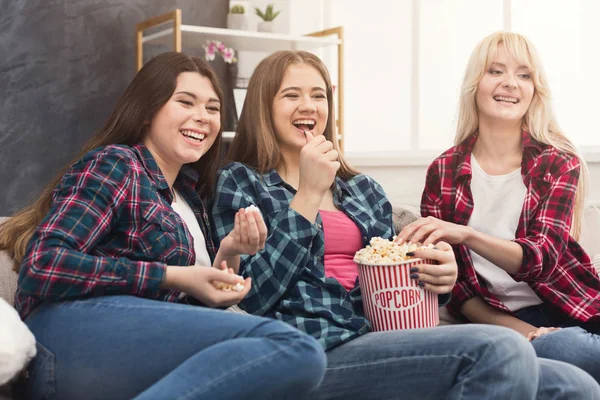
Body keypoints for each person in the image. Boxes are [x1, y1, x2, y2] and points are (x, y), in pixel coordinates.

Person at [212, 49, 600, 399]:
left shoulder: (361, 189)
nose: (309, 106)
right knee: (502, 348)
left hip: (387, 338)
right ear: (264, 106)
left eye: (318, 95)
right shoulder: (242, 183)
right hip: (314, 345)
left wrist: (440, 278)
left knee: (573, 384)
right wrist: (309, 194)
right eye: (291, 95)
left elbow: (399, 278)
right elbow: (253, 295)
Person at [0, 52, 326, 400]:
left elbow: (183, 311)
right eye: (186, 102)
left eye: (213, 109)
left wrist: (228, 254)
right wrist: (171, 275)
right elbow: (43, 265)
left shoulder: (189, 197)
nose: (202, 117)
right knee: (293, 346)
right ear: (145, 112)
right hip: (66, 335)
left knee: (282, 362)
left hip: (126, 349)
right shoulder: (117, 164)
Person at [398, 31, 600, 382]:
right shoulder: (443, 172)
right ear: (474, 84)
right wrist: (526, 333)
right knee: (568, 351)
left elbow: (542, 258)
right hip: (513, 325)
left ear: (535, 90)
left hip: (580, 306)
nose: (510, 84)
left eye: (524, 75)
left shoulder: (557, 162)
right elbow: (459, 292)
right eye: (495, 71)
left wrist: (468, 235)